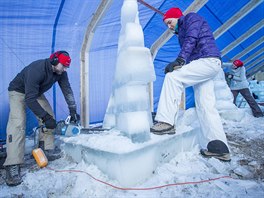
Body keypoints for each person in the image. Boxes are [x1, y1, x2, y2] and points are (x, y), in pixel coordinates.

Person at [150, 8, 230, 162]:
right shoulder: (181, 31)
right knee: (206, 106)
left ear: (177, 17)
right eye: (166, 24)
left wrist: (180, 60)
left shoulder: (190, 18)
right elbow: (190, 44)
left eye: (169, 22)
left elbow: (191, 39)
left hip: (207, 60)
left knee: (172, 78)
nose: (169, 26)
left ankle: (166, 122)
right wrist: (182, 61)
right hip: (203, 63)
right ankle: (219, 147)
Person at [4, 51, 80, 186]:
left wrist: (73, 110)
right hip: (18, 91)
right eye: (64, 65)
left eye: (67, 66)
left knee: (50, 115)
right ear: (54, 61)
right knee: (18, 123)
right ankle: (12, 164)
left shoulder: (60, 73)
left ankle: (46, 148)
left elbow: (67, 90)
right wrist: (45, 117)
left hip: (35, 92)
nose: (65, 69)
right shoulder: (37, 69)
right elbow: (29, 99)